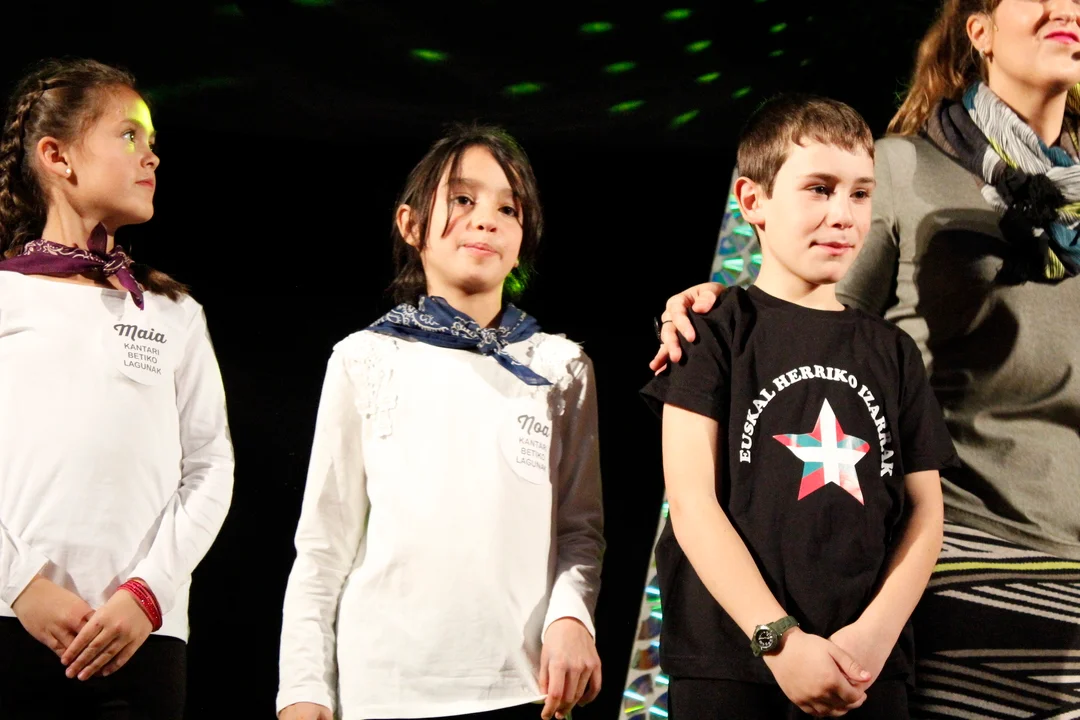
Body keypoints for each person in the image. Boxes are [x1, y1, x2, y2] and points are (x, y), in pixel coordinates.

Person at [654, 0, 1080, 715]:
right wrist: (718, 306)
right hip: (967, 574)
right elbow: (809, 322)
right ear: (978, 31)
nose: (1064, 6)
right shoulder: (901, 168)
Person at [641, 94, 958, 719]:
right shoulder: (710, 331)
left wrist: (873, 639)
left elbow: (925, 512)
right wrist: (778, 639)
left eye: (860, 193)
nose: (843, 214)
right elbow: (692, 502)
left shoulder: (893, 352)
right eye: (819, 189)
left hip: (865, 672)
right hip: (729, 665)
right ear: (752, 200)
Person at [276, 124, 604, 720]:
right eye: (462, 199)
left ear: (523, 237)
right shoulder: (364, 357)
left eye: (508, 208)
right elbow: (323, 542)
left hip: (524, 686)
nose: (486, 220)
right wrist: (303, 688)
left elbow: (580, 530)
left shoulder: (559, 366)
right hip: (385, 689)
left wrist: (571, 617)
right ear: (410, 224)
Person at [0, 58, 234, 719]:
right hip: (11, 620)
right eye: (129, 135)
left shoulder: (173, 312)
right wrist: (19, 585)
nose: (151, 156)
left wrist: (147, 593)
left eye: (152, 141)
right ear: (57, 157)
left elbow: (211, 464)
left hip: (139, 636)